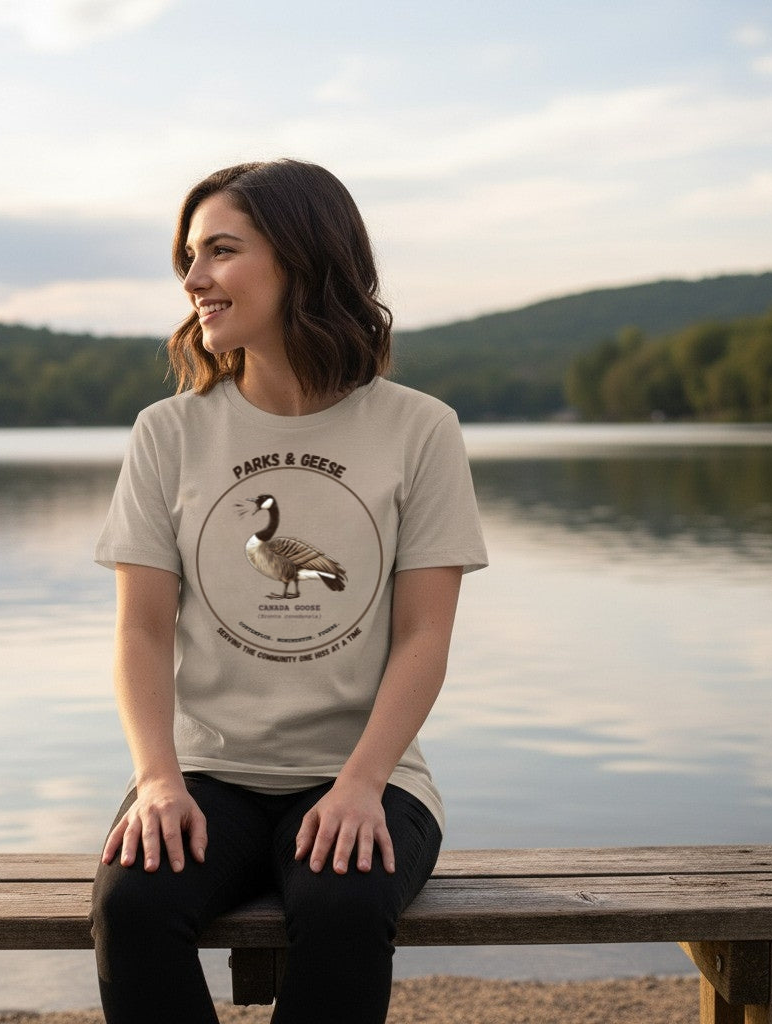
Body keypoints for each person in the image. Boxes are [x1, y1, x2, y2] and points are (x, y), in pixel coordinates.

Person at [90, 159, 487, 1024]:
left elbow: (424, 636)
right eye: (189, 257)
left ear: (301, 259)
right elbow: (141, 632)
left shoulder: (420, 429)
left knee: (345, 902)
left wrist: (363, 784)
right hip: (205, 772)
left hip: (366, 771)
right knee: (133, 904)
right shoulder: (168, 433)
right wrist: (156, 779)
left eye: (220, 251)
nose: (193, 279)